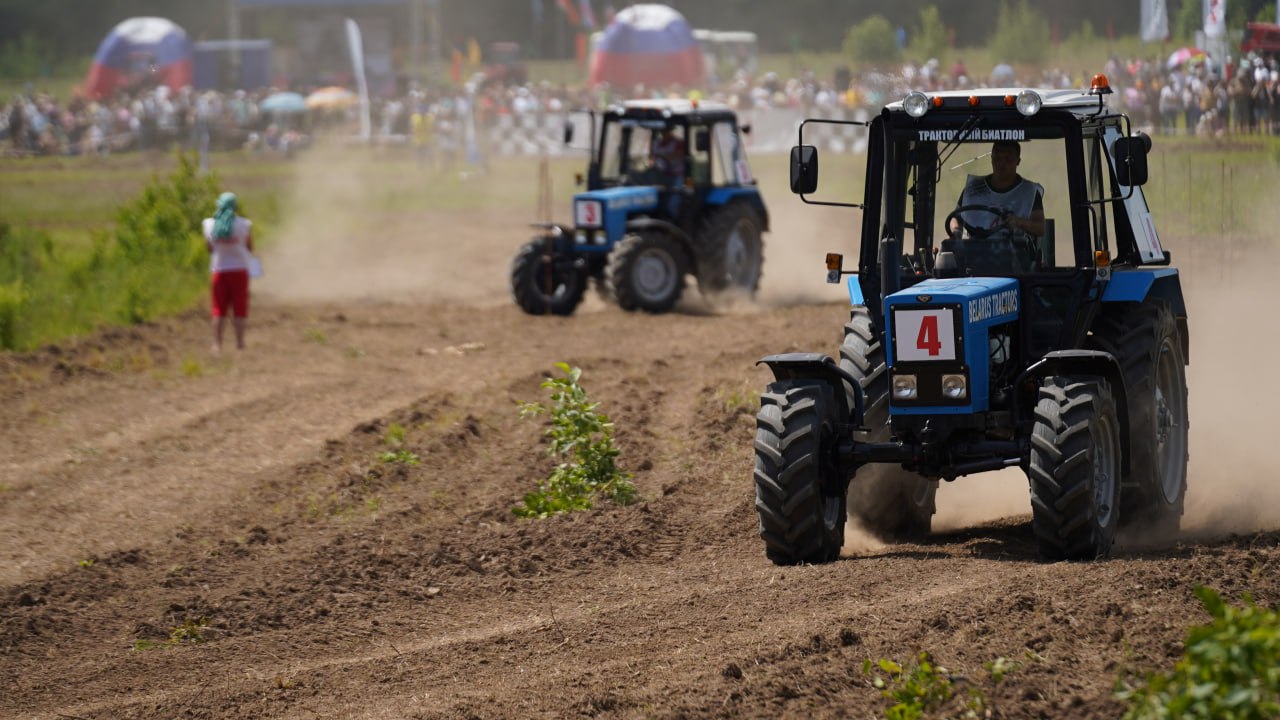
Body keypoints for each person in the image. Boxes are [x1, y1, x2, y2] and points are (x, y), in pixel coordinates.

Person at [951, 140, 1044, 272]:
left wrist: (1019, 222)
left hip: (1014, 258)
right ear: (991, 158)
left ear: (1018, 161)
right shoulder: (974, 188)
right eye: (998, 158)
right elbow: (956, 217)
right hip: (973, 254)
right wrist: (956, 232)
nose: (1002, 163)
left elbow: (1040, 228)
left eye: (1008, 159)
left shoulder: (1029, 192)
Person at [201, 192, 255, 353]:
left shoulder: (209, 225)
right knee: (239, 308)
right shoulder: (243, 224)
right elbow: (250, 247)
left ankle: (217, 345)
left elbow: (210, 249)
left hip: (218, 270)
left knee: (218, 309)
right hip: (239, 271)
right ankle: (240, 344)